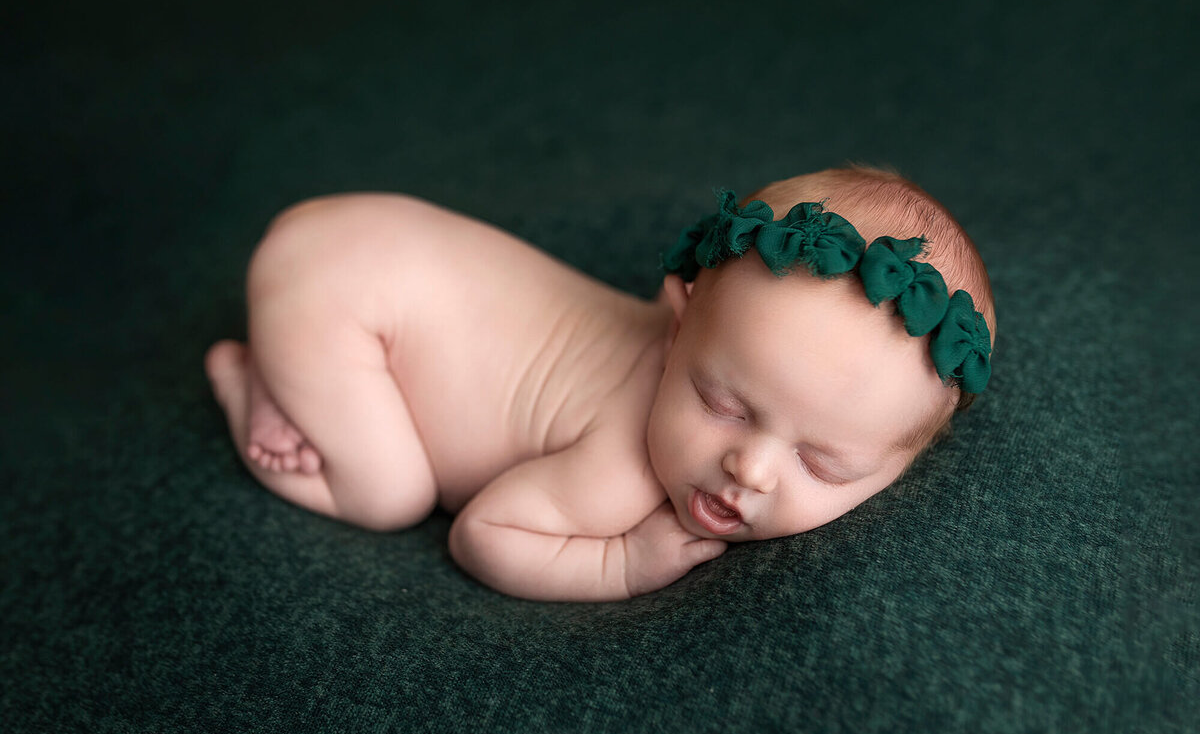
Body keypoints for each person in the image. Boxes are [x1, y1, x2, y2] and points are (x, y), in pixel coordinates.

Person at [204, 166, 995, 601]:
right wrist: (621, 562)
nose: (749, 470)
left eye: (823, 464)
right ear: (677, 322)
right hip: (342, 296)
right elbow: (482, 535)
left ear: (901, 464)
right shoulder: (619, 468)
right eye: (720, 404)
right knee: (387, 494)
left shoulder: (725, 358)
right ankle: (250, 382)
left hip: (375, 235)